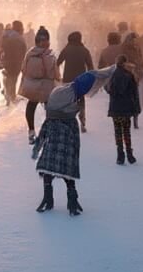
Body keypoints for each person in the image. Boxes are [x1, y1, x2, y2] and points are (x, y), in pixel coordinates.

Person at [34, 68, 114, 215]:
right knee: (68, 171)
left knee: (47, 170)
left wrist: (37, 148)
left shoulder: (55, 106)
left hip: (52, 149)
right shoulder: (71, 119)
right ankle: (71, 199)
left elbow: (43, 131)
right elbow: (76, 140)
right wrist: (75, 152)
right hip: (67, 149)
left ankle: (48, 198)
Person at [19, 27, 58, 145]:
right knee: (50, 109)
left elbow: (23, 69)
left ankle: (31, 131)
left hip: (32, 85)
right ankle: (49, 132)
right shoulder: (50, 55)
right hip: (47, 86)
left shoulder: (29, 54)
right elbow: (55, 74)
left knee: (31, 105)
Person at [105, 55, 140, 165]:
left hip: (115, 109)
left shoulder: (112, 75)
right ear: (125, 63)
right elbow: (135, 94)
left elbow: (107, 88)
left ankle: (120, 155)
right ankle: (130, 154)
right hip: (126, 109)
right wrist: (136, 109)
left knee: (118, 132)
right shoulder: (130, 76)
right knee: (126, 131)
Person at [57, 31, 93, 133]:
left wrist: (57, 75)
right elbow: (90, 66)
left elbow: (58, 62)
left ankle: (67, 123)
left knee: (68, 101)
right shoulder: (84, 50)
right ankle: (82, 122)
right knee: (81, 100)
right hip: (81, 79)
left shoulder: (66, 49)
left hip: (68, 79)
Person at [121, 31, 143, 129]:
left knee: (134, 97)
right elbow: (134, 59)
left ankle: (134, 118)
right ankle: (129, 117)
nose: (135, 41)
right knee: (130, 97)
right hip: (128, 75)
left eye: (136, 39)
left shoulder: (136, 47)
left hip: (135, 75)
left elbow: (140, 58)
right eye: (134, 39)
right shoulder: (125, 48)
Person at [0, 20, 27, 106]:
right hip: (17, 61)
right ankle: (12, 95)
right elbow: (24, 49)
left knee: (9, 76)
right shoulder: (20, 37)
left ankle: (8, 93)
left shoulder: (7, 35)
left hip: (7, 60)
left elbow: (2, 47)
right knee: (14, 78)